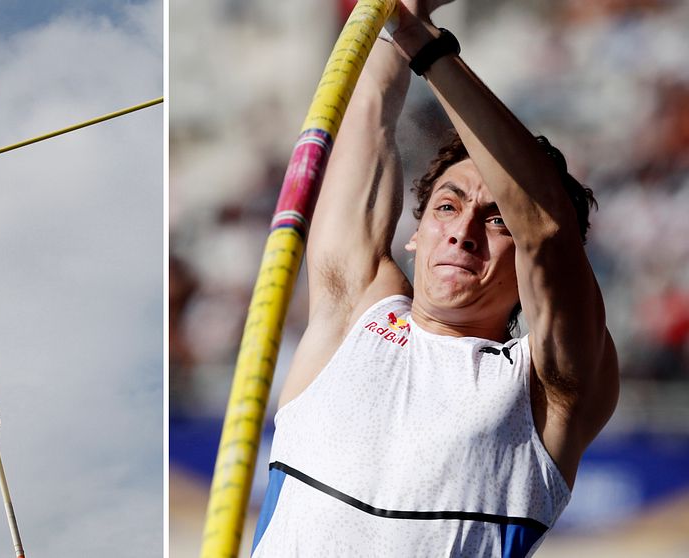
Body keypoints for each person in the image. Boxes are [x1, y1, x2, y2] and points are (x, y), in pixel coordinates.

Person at [251, 1, 618, 556]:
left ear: (526, 268)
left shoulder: (547, 387)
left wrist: (420, 39)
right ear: (416, 235)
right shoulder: (355, 312)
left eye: (496, 219)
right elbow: (367, 113)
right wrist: (396, 9)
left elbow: (545, 228)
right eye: (446, 207)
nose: (463, 232)